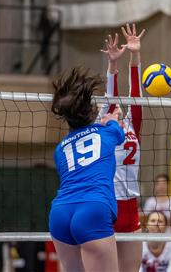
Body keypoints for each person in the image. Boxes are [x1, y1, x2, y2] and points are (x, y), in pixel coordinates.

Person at [49, 66, 125, 271]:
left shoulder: (59, 149)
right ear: (89, 110)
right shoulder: (106, 134)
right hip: (93, 209)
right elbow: (119, 132)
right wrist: (112, 120)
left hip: (60, 213)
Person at [99, 22, 145, 271]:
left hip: (131, 209)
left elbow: (135, 94)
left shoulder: (132, 126)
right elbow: (111, 98)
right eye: (110, 109)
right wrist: (112, 65)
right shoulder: (104, 130)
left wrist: (134, 55)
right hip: (107, 206)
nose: (116, 107)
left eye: (119, 107)